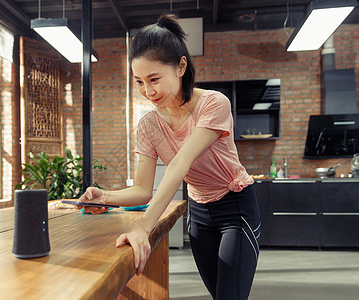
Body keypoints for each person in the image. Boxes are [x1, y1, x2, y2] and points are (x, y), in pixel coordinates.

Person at [78, 14, 261, 300]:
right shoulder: (149, 125)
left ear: (181, 67)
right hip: (199, 215)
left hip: (235, 209)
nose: (148, 91)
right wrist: (104, 197)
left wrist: (142, 228)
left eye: (154, 79)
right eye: (139, 82)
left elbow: (179, 164)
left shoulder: (213, 104)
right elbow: (142, 191)